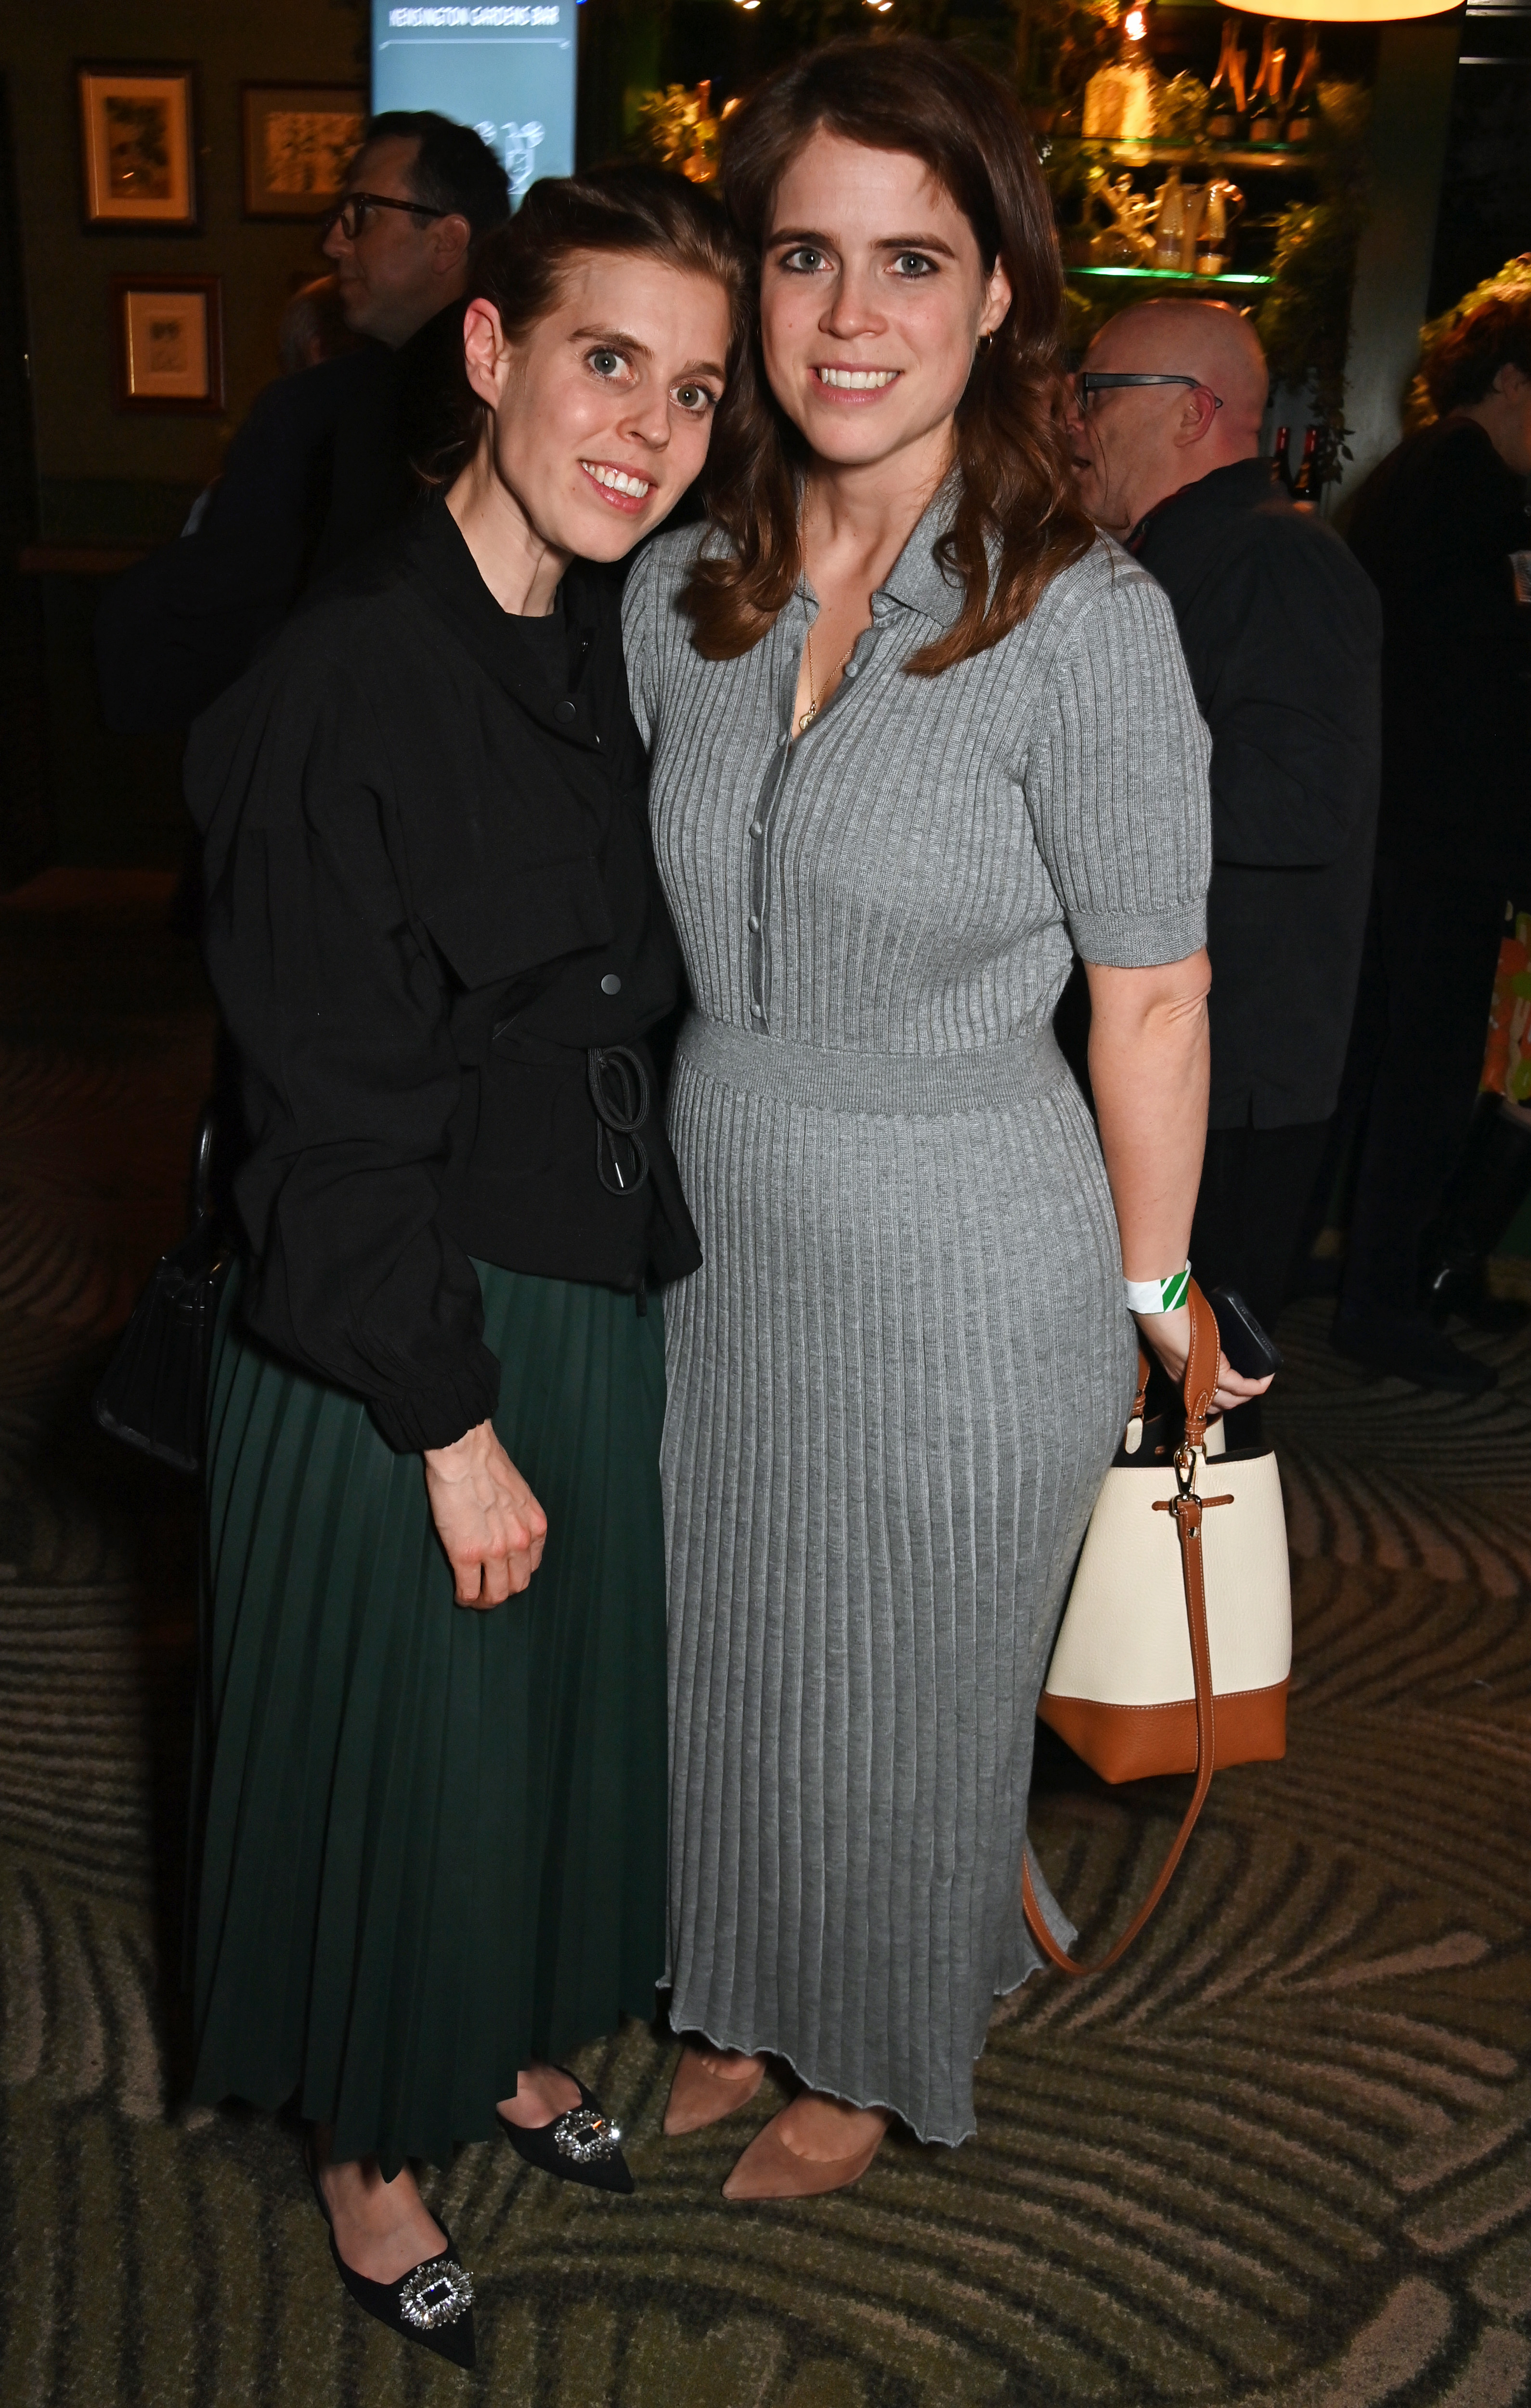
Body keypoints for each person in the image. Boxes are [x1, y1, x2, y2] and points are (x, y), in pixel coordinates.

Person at [623, 38, 1267, 2203]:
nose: (853, 313)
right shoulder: (675, 592)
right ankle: (731, 1987)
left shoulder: (1082, 623)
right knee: (722, 1646)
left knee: (907, 1684)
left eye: (916, 257)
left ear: (1002, 291)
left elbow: (1155, 992)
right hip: (717, 1225)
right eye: (806, 254)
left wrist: (1156, 1286)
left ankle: (872, 2055)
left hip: (972, 1244)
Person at [182, 169, 745, 2367]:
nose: (652, 429)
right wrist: (444, 1415)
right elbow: (324, 1103)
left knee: (535, 1738)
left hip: (585, 1288)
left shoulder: (605, 650)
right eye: (610, 361)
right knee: (398, 1758)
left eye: (694, 392)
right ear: (494, 351)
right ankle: (366, 2144)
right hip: (398, 1335)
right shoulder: (352, 671)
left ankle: (502, 2034)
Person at [1066, 299, 1381, 1443]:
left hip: (1229, 1078)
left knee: (1189, 1428)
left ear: (1193, 413)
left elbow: (1304, 802)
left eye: (1095, 393)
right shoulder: (1182, 555)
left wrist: (1064, 790)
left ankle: (1174, 1631)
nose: (1071, 420)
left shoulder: (1274, 557)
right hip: (1187, 1062)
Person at [96, 112, 509, 734]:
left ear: (447, 242)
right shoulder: (515, 396)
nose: (335, 244)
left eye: (362, 214)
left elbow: (215, 617)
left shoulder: (324, 410)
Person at [1328, 288, 1531, 1392]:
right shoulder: (1472, 488)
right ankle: (1384, 1302)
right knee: (1427, 1069)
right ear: (1509, 384)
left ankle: (1357, 1272)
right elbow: (1483, 680)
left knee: (1380, 1056)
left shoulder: (1422, 477)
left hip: (1402, 821)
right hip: (1444, 831)